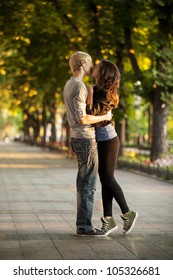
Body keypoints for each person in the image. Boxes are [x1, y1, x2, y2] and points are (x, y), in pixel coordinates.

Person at [87, 59, 138, 235]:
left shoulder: (104, 93)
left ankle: (127, 212)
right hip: (102, 138)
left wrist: (88, 92)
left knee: (108, 178)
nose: (93, 67)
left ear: (104, 72)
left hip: (108, 139)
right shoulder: (99, 90)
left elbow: (91, 112)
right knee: (104, 179)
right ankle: (108, 220)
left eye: (97, 67)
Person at [63, 51, 112, 236]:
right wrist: (105, 116)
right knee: (88, 185)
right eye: (90, 62)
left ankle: (82, 224)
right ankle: (84, 226)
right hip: (84, 138)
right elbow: (82, 118)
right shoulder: (78, 86)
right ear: (82, 63)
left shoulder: (70, 84)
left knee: (83, 182)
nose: (93, 66)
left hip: (77, 137)